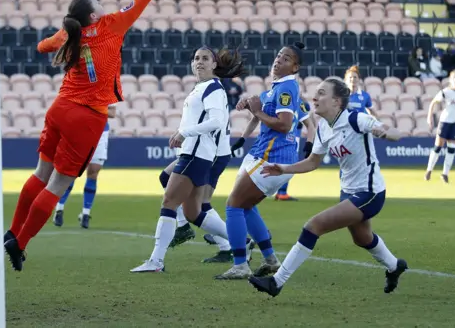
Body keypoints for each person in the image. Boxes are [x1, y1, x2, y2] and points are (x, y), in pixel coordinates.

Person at [3, 0, 191, 272]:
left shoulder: (70, 34)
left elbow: (43, 46)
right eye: (98, 3)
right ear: (93, 14)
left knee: (41, 173)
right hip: (87, 116)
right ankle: (20, 242)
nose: (104, 5)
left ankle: (12, 231)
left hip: (59, 108)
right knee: (59, 182)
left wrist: (62, 35)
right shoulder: (111, 26)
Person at [249, 77, 407, 297]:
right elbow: (313, 162)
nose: (315, 97)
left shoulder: (355, 118)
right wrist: (283, 169)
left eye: (322, 93)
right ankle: (395, 266)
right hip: (348, 191)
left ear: (336, 101)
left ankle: (277, 282)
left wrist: (387, 133)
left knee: (313, 226)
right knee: (362, 238)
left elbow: (388, 130)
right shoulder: (323, 127)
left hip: (370, 192)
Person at [130, 47, 247, 273]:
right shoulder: (202, 88)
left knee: (169, 203)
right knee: (193, 212)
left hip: (196, 154)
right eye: (196, 59)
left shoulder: (213, 88)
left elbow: (216, 121)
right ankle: (242, 242)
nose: (199, 62)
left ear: (214, 64)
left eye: (205, 59)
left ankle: (156, 261)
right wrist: (183, 132)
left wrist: (185, 133)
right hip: (196, 153)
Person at [214, 42, 305, 280]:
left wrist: (258, 111)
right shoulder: (278, 87)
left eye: (286, 59)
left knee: (233, 205)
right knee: (246, 206)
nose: (278, 60)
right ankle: (271, 259)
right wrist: (253, 107)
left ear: (295, 66)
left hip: (271, 156)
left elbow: (284, 124)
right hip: (273, 156)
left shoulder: (286, 89)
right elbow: (262, 110)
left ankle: (240, 264)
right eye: (278, 55)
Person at [35, 28, 117, 229]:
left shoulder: (107, 78)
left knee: (93, 172)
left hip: (100, 131)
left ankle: (86, 213)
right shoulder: (81, 76)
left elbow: (112, 111)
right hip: (80, 129)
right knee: (70, 171)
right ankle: (59, 208)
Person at [275, 99, 316, 201]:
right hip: (293, 136)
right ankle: (282, 193)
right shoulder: (301, 103)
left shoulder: (286, 101)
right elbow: (309, 119)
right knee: (290, 164)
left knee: (284, 164)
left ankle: (280, 192)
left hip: (285, 136)